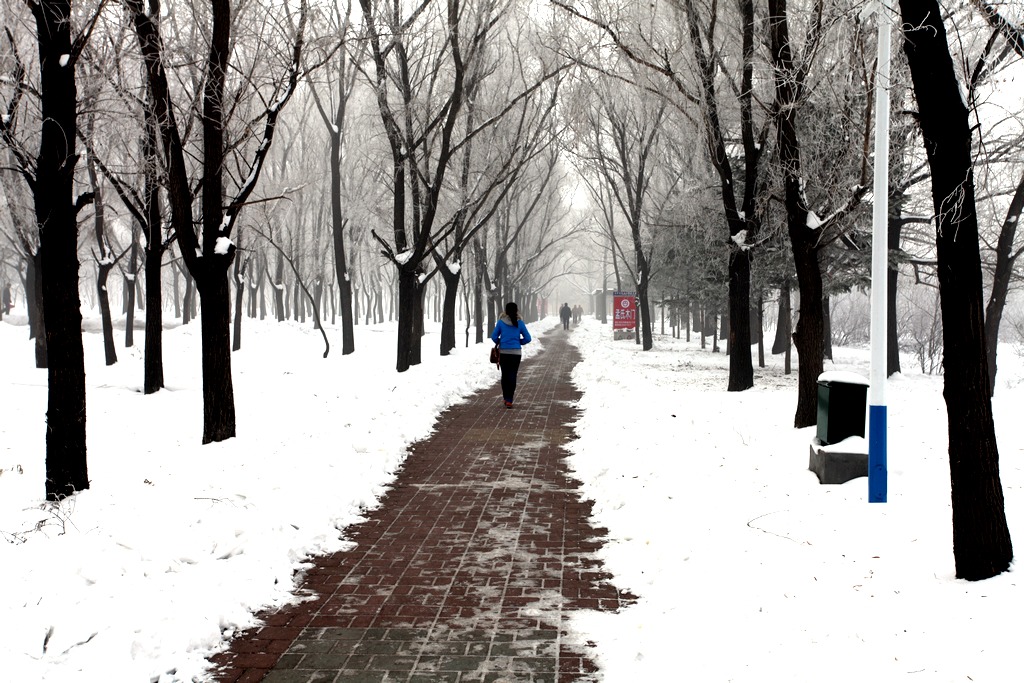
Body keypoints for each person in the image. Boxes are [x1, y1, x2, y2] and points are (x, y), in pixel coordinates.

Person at [490, 301, 532, 409]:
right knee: (513, 375)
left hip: (504, 352)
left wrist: (500, 341)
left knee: (505, 375)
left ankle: (505, 397)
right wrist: (519, 342)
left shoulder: (500, 322)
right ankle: (509, 400)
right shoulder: (520, 323)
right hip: (516, 353)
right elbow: (528, 338)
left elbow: (494, 336)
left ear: (506, 310)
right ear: (516, 310)